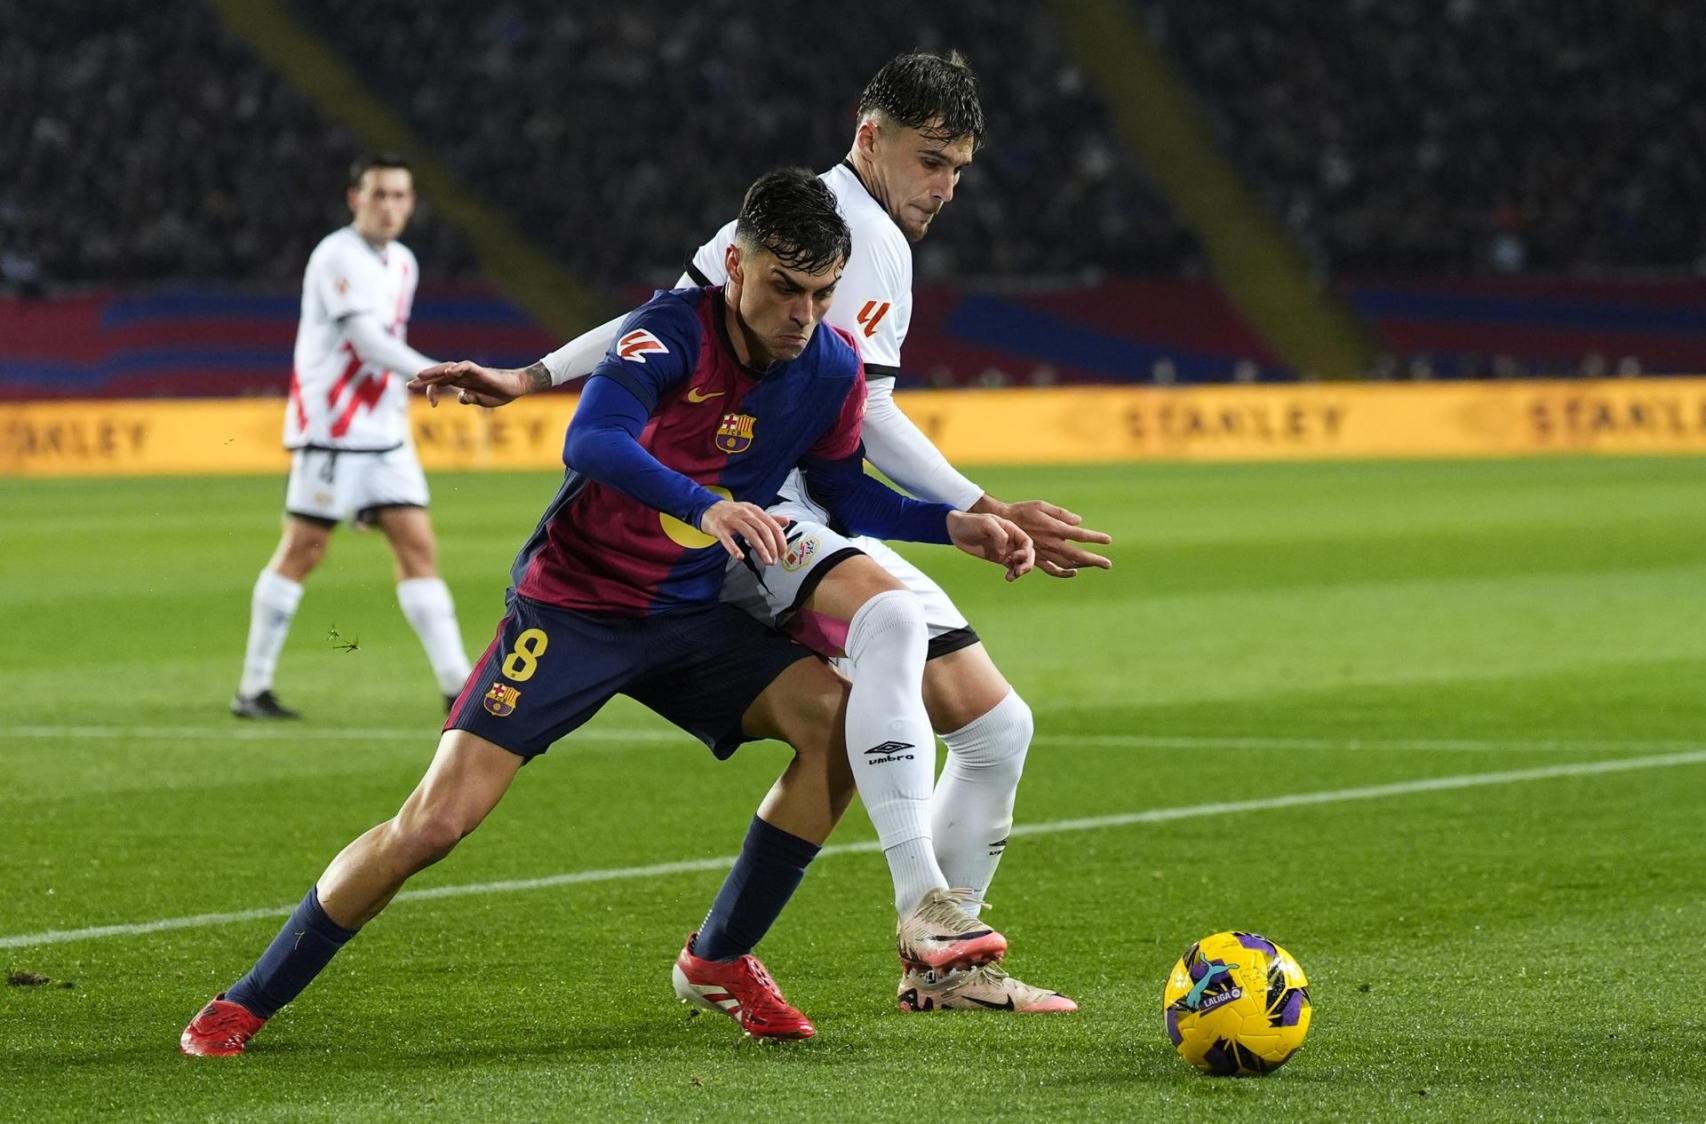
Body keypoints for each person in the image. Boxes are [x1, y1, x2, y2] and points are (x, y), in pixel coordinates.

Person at [181, 168, 1034, 1056]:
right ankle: (248, 998)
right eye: (784, 288)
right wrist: (706, 504)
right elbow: (589, 439)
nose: (802, 314)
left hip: (689, 617)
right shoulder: (665, 333)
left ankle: (720, 960)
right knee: (435, 823)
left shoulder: (828, 367)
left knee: (839, 726)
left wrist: (956, 526)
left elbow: (844, 490)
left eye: (821, 294)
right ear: (735, 267)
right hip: (574, 609)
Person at [412, 51, 1110, 1013]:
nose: (945, 186)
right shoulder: (823, 230)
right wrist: (977, 507)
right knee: (892, 625)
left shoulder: (850, 229)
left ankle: (943, 969)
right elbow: (839, 401)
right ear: (872, 138)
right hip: (767, 512)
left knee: (995, 729)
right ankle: (923, 908)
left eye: (957, 168)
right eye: (932, 160)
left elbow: (655, 312)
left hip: (812, 507)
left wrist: (533, 374)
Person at [231, 154, 471, 720]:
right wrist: (436, 372)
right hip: (332, 432)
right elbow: (366, 341)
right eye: (379, 195)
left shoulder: (404, 263)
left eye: (400, 196)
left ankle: (456, 685)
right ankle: (252, 688)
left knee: (418, 549)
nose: (390, 206)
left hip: (385, 434)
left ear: (411, 204)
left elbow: (383, 345)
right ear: (355, 198)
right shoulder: (336, 255)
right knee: (302, 552)